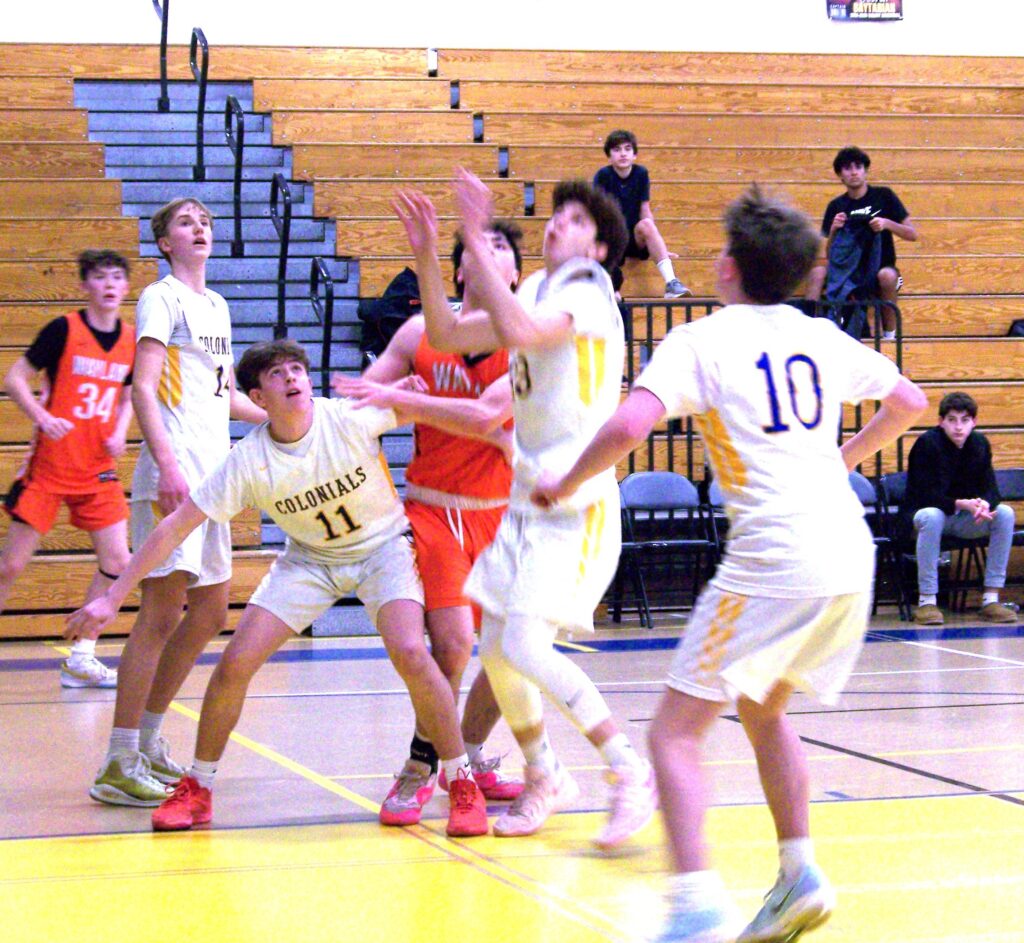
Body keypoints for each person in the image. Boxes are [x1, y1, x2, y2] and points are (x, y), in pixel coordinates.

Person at [531, 184, 927, 942]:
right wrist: (842, 456)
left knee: (673, 734)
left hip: (776, 557)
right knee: (761, 705)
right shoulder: (822, 336)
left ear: (731, 267)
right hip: (849, 552)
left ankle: (694, 907)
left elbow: (628, 423)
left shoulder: (700, 341)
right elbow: (909, 398)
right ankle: (798, 870)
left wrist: (567, 479)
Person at [69, 339, 490, 837]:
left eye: (297, 370)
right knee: (235, 661)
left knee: (409, 651)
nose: (292, 379)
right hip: (309, 561)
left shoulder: (347, 417)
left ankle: (462, 781)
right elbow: (173, 528)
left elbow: (438, 409)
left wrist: (413, 390)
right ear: (257, 397)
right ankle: (199, 787)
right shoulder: (248, 460)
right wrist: (113, 596)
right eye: (277, 375)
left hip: (382, 549)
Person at [393, 169, 658, 848]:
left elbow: (516, 327)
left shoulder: (591, 293)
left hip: (577, 498)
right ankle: (545, 774)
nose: (556, 224)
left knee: (522, 644)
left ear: (600, 249)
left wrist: (476, 237)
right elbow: (448, 331)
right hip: (526, 497)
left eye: (575, 221)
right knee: (497, 649)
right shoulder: (539, 287)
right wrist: (430, 253)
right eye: (557, 213)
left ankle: (629, 770)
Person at [334, 221, 525, 826]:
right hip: (434, 508)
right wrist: (385, 392)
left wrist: (410, 400)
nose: (491, 257)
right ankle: (423, 765)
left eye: (504, 249)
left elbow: (488, 420)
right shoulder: (419, 332)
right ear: (459, 272)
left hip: (503, 511)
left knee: (514, 652)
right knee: (452, 648)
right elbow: (360, 397)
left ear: (515, 276)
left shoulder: (527, 343)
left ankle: (461, 753)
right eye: (478, 249)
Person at [85, 198, 266, 808]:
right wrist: (165, 463)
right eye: (187, 223)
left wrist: (295, 419)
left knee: (212, 610)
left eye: (207, 222)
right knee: (161, 614)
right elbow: (141, 384)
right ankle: (117, 757)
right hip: (174, 474)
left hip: (214, 479)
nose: (201, 229)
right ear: (165, 242)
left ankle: (151, 740)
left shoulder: (215, 305)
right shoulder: (160, 298)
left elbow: (226, 396)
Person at [1, 250, 134, 688]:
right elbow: (15, 378)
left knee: (118, 561)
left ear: (126, 287)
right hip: (51, 466)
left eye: (117, 277)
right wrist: (41, 417)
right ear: (84, 286)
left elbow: (132, 393)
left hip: (98, 469)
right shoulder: (63, 330)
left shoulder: (132, 339)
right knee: (11, 566)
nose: (110, 284)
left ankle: (82, 655)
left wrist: (120, 429)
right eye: (100, 277)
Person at [905, 391, 1018, 626]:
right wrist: (959, 504)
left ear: (974, 422)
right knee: (932, 516)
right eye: (952, 420)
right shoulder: (927, 443)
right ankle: (927, 601)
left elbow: (992, 489)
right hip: (925, 518)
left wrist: (984, 504)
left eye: (965, 420)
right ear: (941, 422)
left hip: (963, 519)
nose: (958, 427)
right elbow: (922, 494)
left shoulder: (979, 443)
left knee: (1005, 513)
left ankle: (990, 599)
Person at [804, 146, 917, 338]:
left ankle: (889, 335)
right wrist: (833, 230)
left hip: (878, 268)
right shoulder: (836, 206)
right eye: (847, 168)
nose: (854, 172)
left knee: (887, 276)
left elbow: (912, 234)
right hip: (846, 271)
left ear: (866, 171)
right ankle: (807, 333)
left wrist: (887, 223)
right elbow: (831, 253)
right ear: (840, 175)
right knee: (817, 272)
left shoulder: (884, 196)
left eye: (858, 166)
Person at [593, 129, 690, 299]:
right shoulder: (603, 176)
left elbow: (645, 209)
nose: (623, 153)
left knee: (646, 224)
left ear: (634, 154)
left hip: (634, 238)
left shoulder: (641, 174)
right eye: (617, 150)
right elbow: (597, 214)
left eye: (627, 148)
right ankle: (609, 288)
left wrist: (658, 248)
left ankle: (671, 282)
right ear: (609, 157)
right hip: (613, 237)